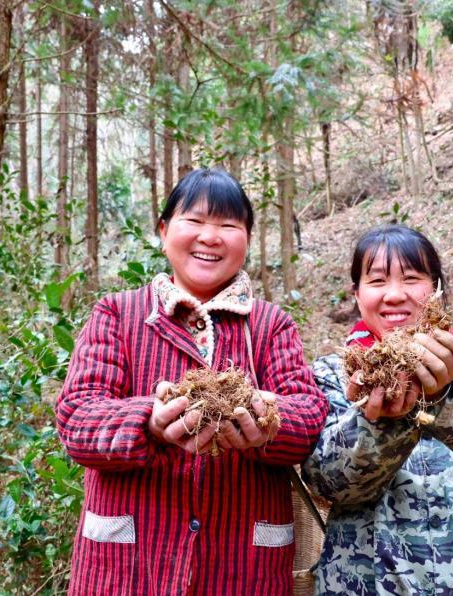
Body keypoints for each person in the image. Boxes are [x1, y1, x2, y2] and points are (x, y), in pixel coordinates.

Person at [56, 168, 328, 595]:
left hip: (244, 569)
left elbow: (309, 416)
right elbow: (77, 417)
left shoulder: (271, 326)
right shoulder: (117, 314)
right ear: (164, 231)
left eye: (227, 225)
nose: (210, 236)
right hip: (129, 568)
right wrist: (148, 421)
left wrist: (266, 422)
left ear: (248, 240)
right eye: (195, 221)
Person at [302, 225, 453, 595]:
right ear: (357, 293)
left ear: (434, 289)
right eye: (377, 281)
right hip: (368, 581)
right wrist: (378, 420)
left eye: (412, 278)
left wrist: (450, 390)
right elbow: (330, 481)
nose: (395, 295)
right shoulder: (333, 374)